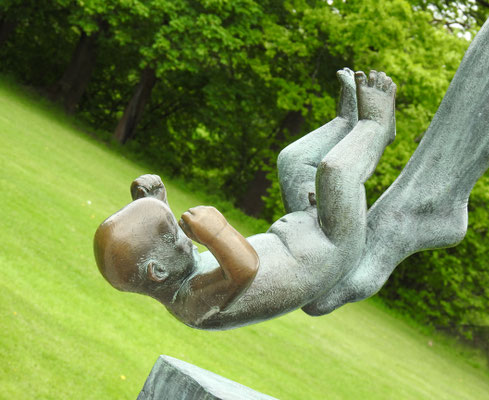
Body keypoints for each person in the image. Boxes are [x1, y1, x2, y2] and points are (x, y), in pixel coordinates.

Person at [94, 68, 397, 330]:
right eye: (174, 234)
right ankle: (376, 125)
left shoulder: (176, 273)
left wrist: (156, 203)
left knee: (291, 160)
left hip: (306, 228)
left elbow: (168, 246)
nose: (182, 233)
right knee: (334, 172)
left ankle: (345, 123)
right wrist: (218, 233)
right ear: (157, 271)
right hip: (332, 248)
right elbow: (244, 268)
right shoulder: (193, 303)